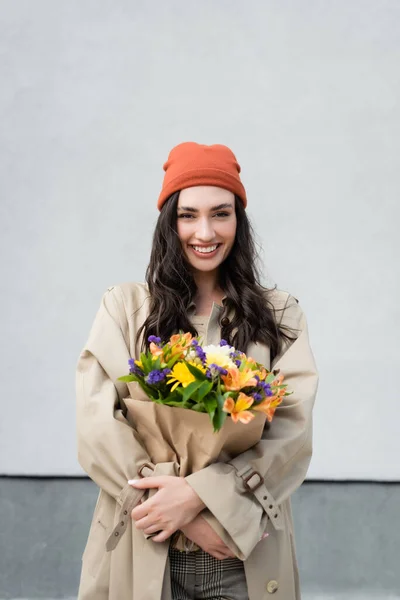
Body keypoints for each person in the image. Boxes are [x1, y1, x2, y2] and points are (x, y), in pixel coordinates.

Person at [76, 141, 319, 600]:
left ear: (239, 221)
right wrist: (172, 508)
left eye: (220, 213)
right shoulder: (126, 309)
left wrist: (203, 500)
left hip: (240, 553)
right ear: (169, 222)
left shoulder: (280, 315)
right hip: (145, 544)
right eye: (188, 215)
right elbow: (97, 425)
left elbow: (292, 431)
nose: (204, 231)